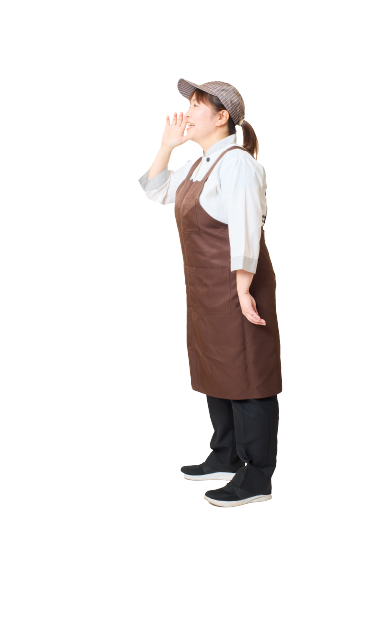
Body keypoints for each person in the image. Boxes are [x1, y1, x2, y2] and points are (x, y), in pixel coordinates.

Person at [138, 79, 282, 508]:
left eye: (198, 105)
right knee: (216, 370)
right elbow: (155, 189)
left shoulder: (237, 164)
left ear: (222, 118)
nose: (188, 111)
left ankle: (257, 477)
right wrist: (167, 145)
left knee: (249, 376)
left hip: (238, 283)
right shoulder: (199, 164)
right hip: (206, 288)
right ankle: (225, 455)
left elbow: (245, 227)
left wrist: (243, 288)